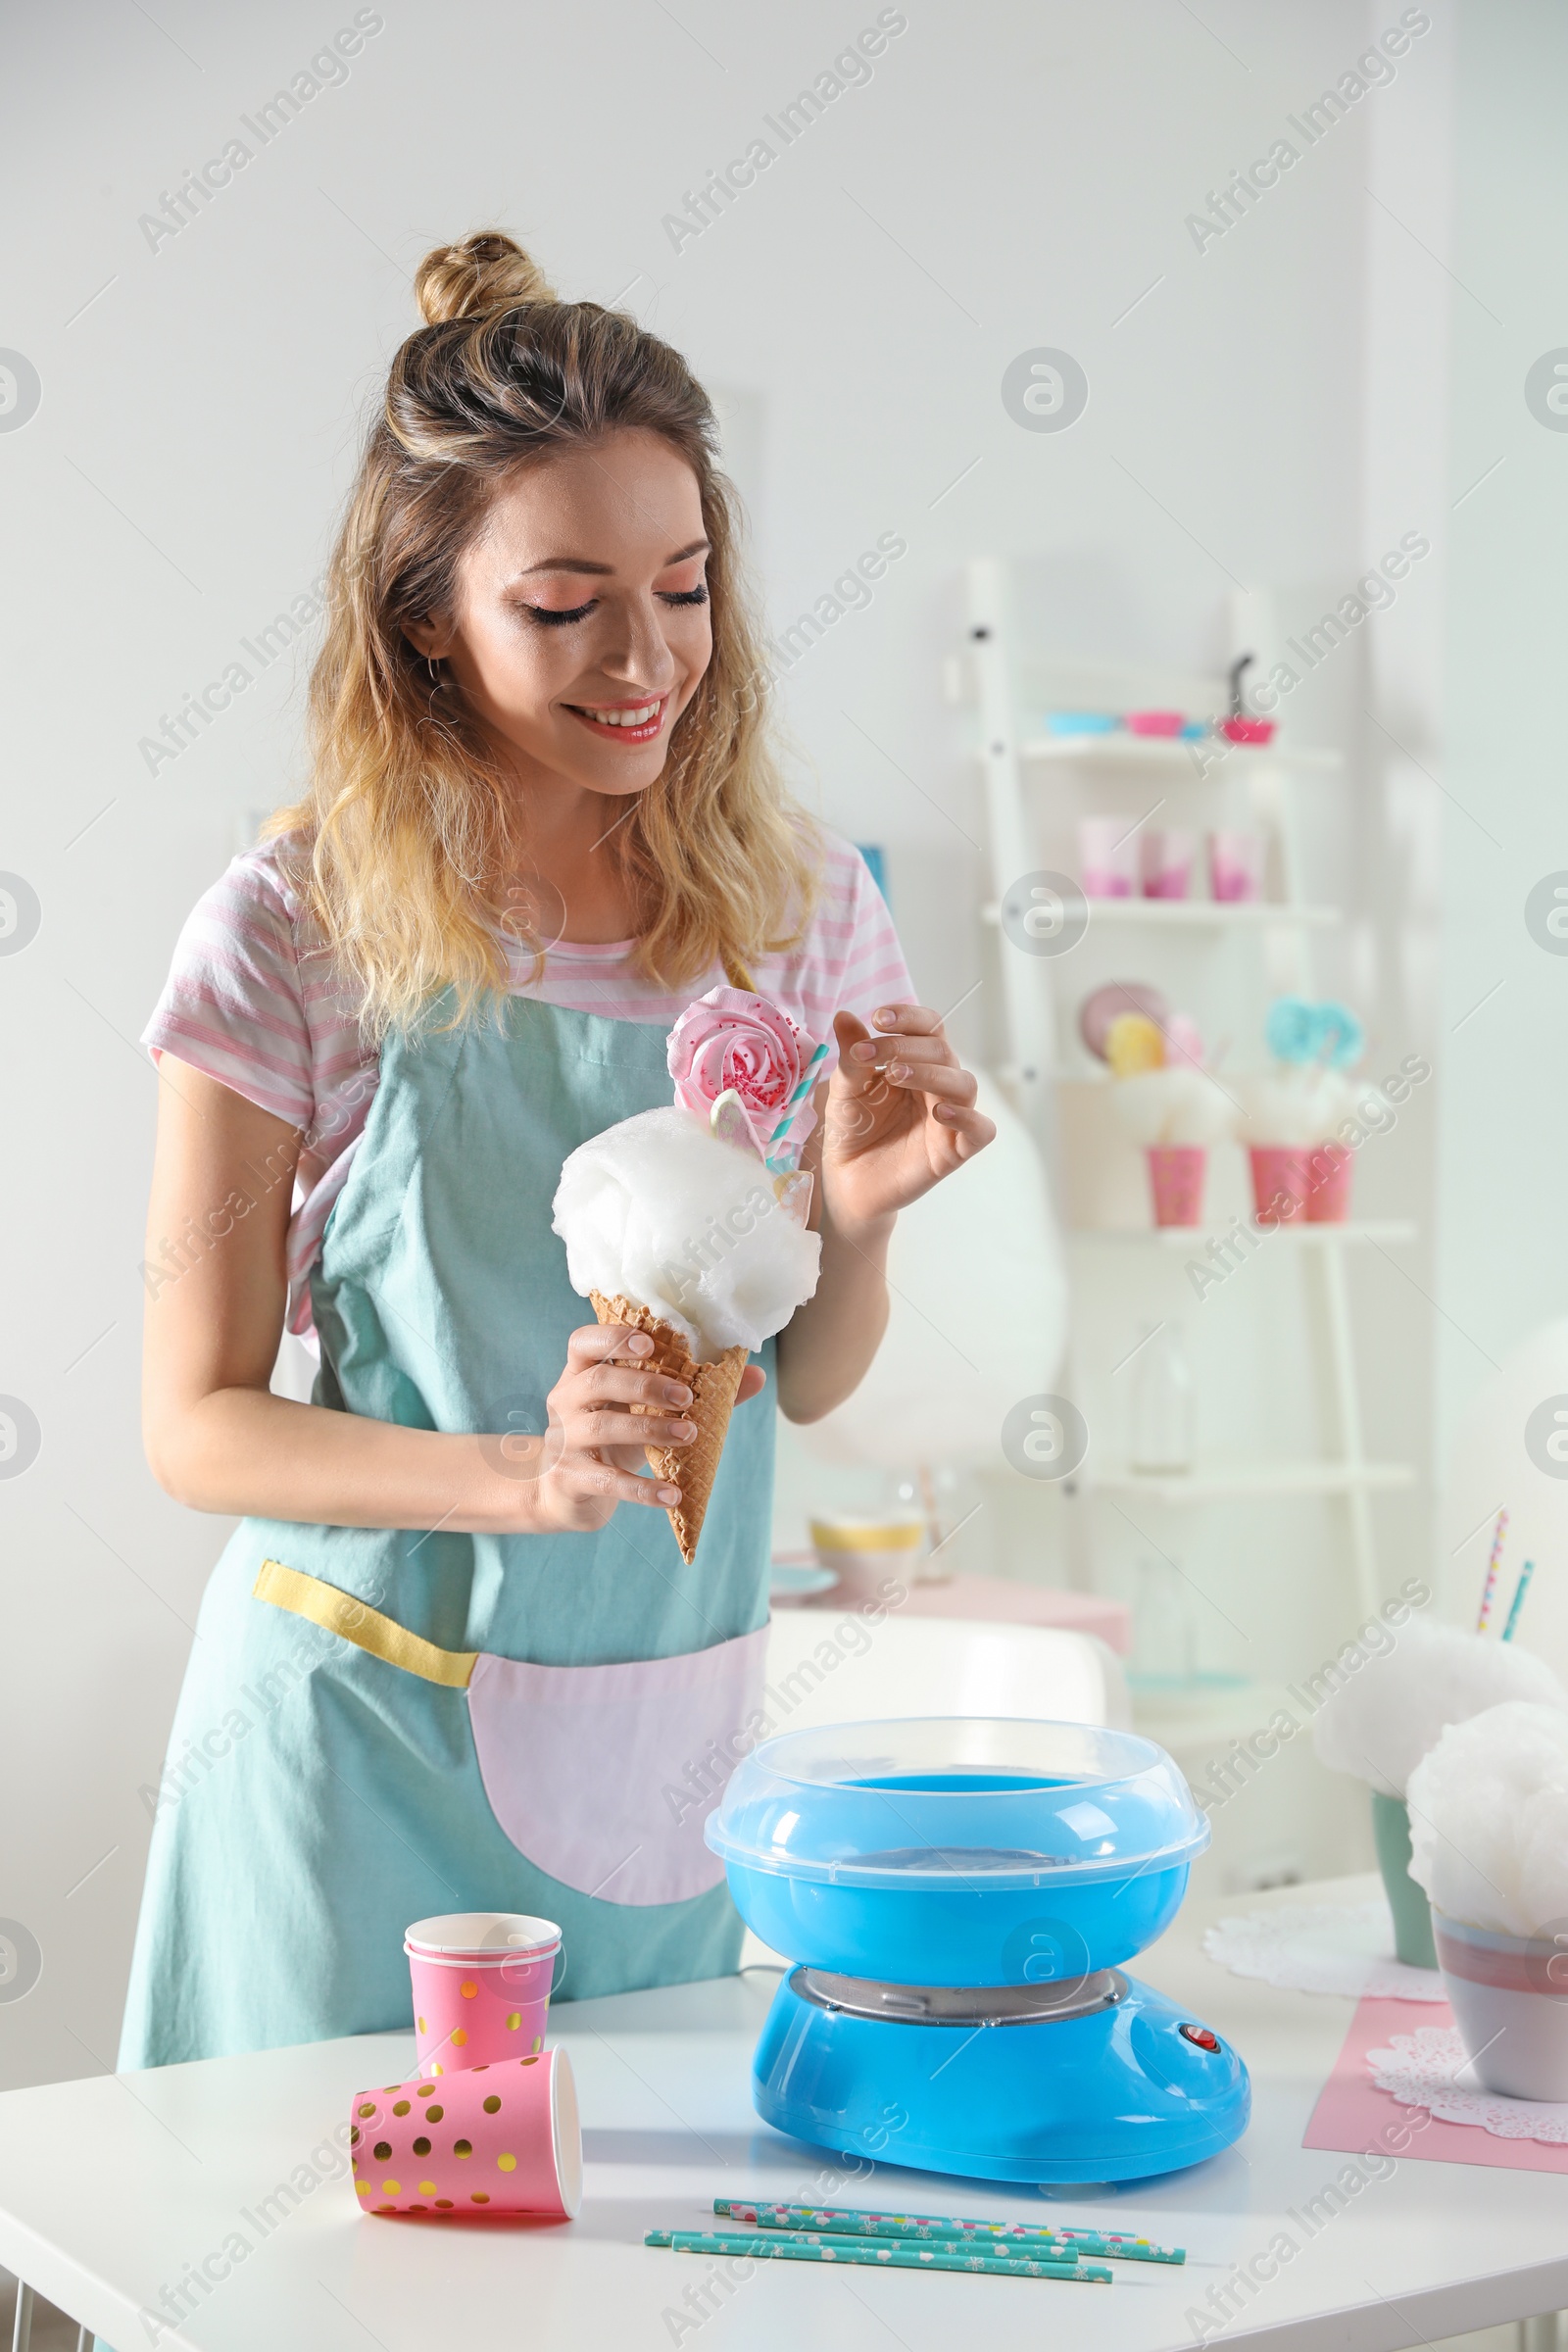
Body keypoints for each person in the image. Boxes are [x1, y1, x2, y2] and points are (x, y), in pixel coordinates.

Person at [120, 231, 994, 2067]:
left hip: (658, 1752)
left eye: (685, 589)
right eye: (568, 602)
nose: (647, 658)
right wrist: (524, 1475)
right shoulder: (294, 926)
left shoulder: (801, 908)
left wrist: (863, 1211)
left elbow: (806, 1385)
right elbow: (196, 1424)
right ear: (427, 612)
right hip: (357, 1750)